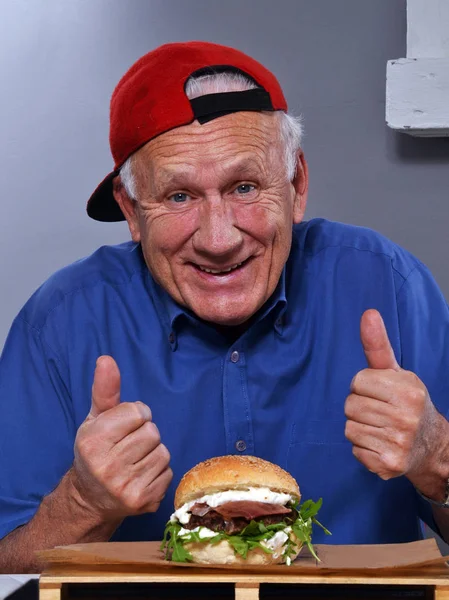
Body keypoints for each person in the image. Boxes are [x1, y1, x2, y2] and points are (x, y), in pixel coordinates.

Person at [1, 41, 449, 574]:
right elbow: (8, 568)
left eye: (244, 186)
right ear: (131, 210)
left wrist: (437, 457)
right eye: (179, 197)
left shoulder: (388, 285)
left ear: (296, 186)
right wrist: (85, 503)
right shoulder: (61, 322)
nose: (218, 240)